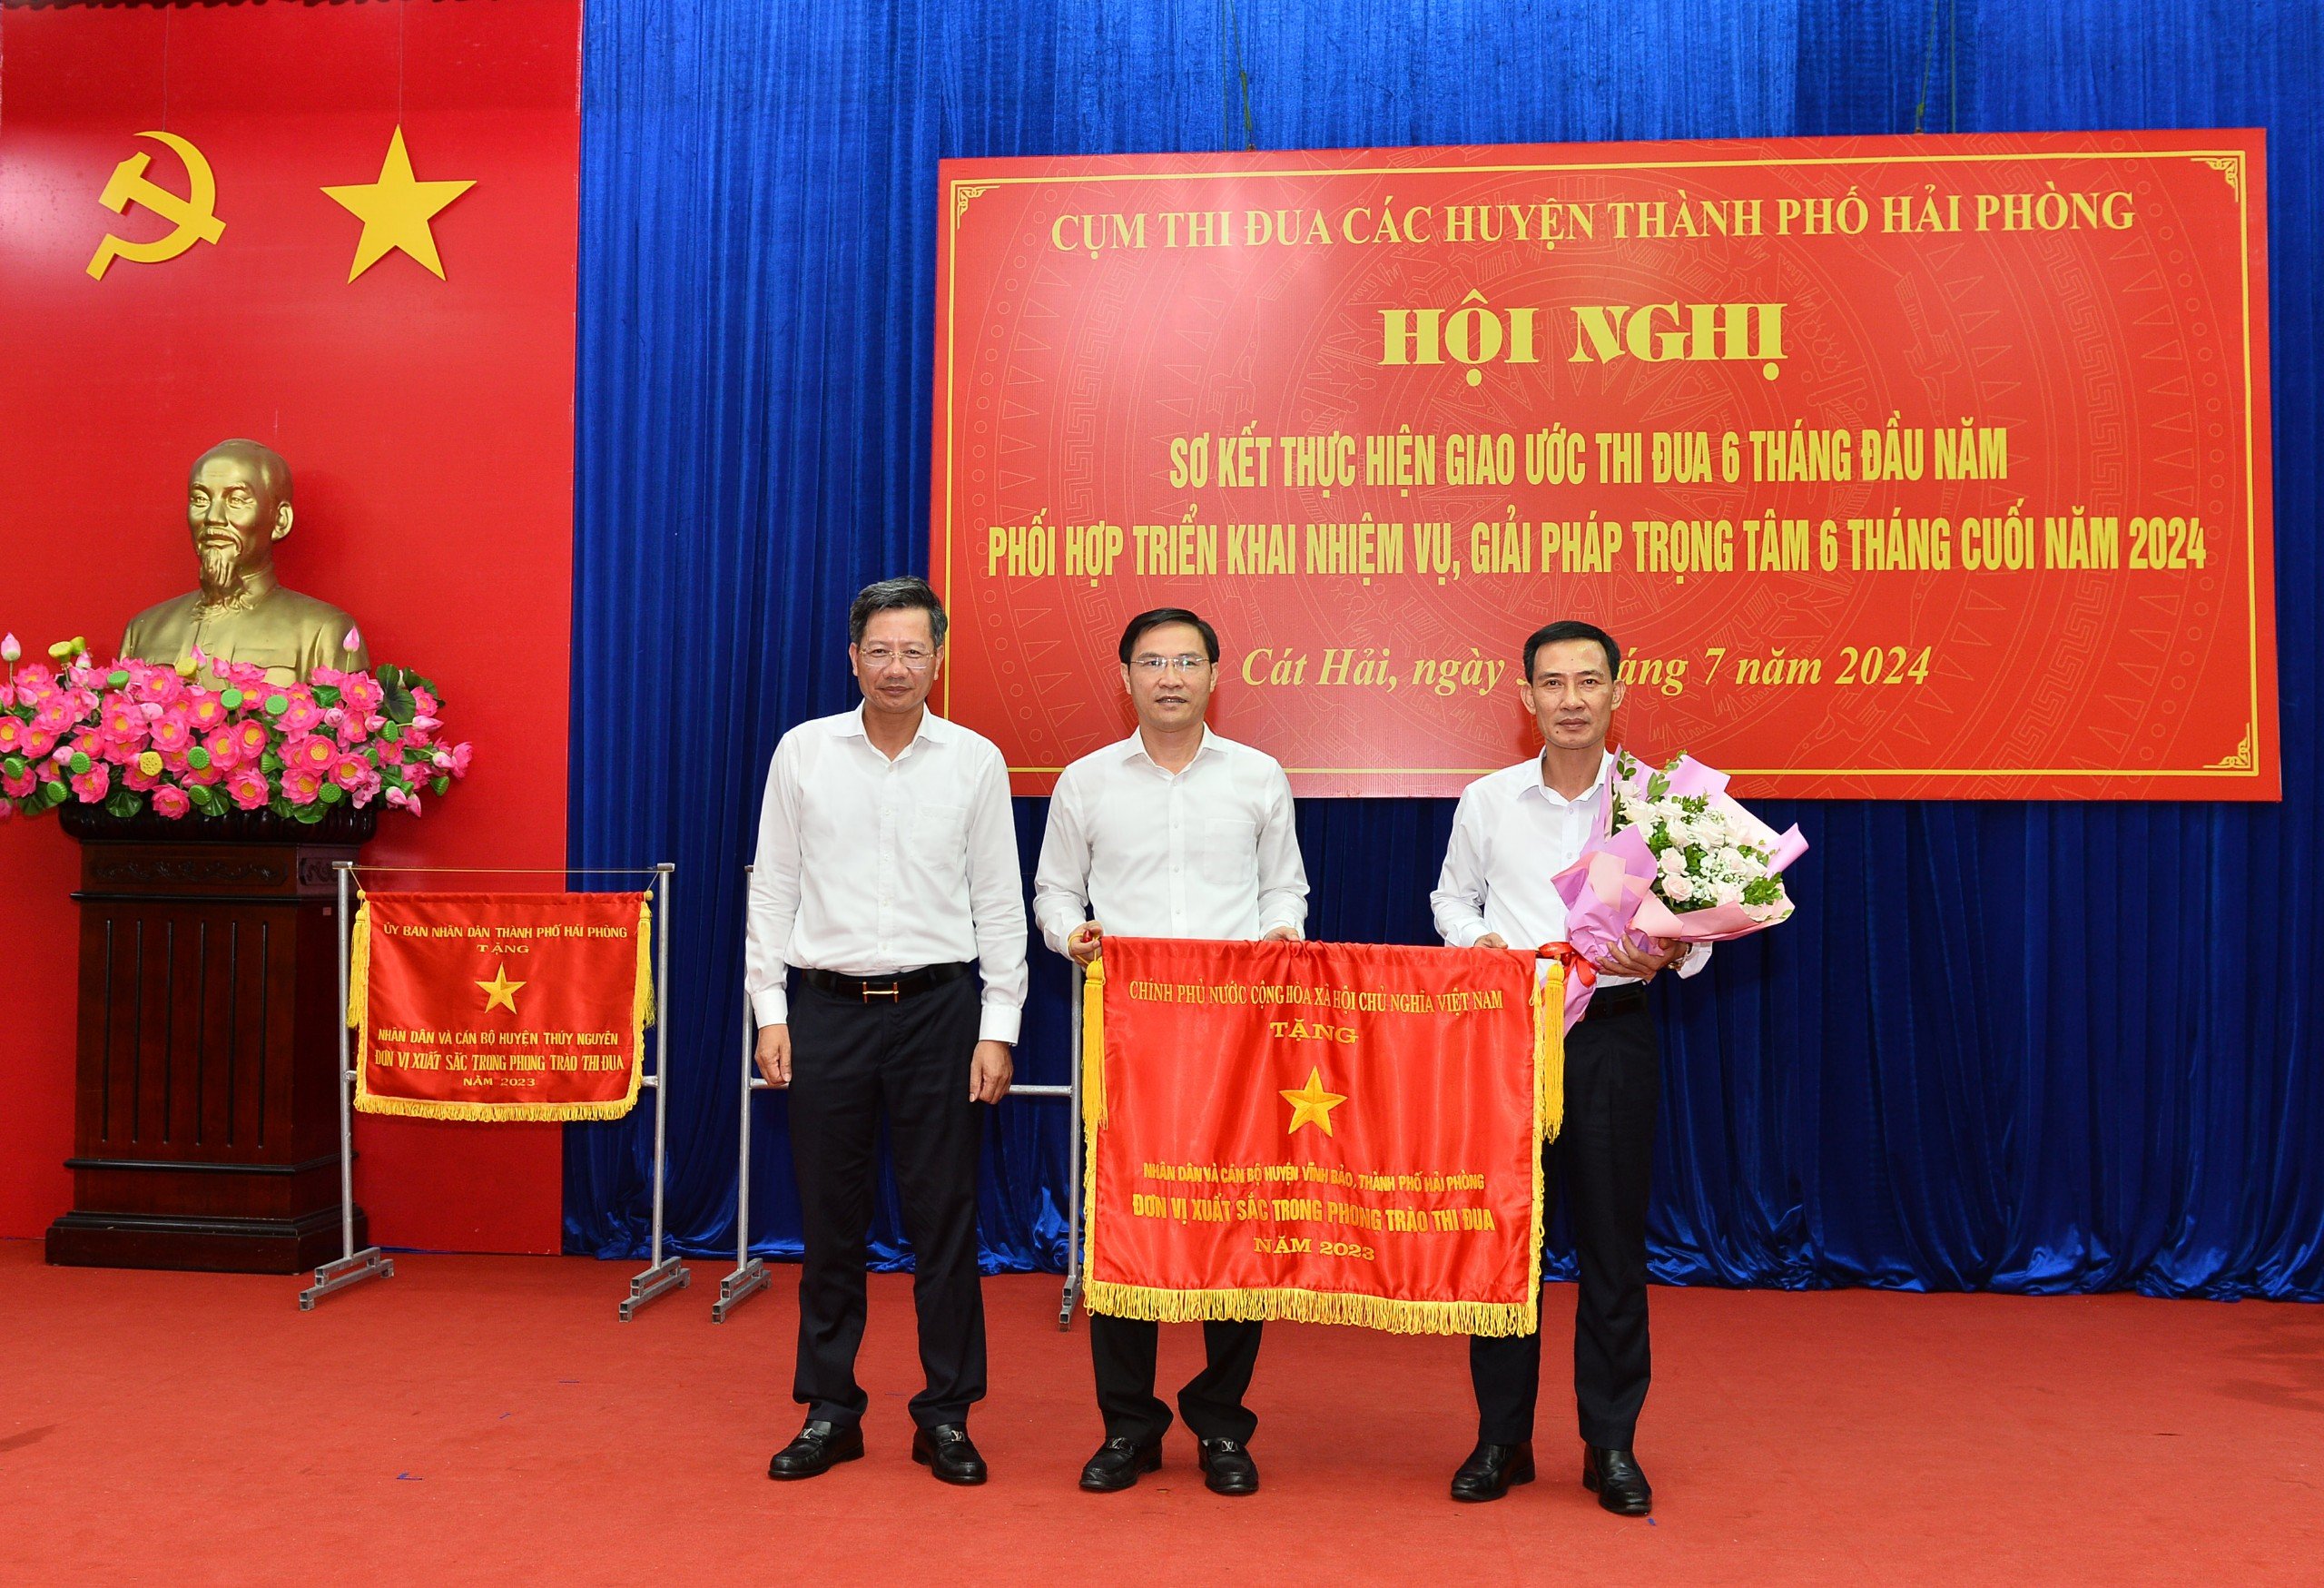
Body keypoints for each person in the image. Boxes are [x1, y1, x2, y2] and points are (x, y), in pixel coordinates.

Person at [745, 576, 1027, 1487]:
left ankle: (946, 1414)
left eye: (913, 650)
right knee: (830, 1221)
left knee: (945, 1220)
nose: (896, 666)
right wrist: (770, 1010)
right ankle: (831, 1409)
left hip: (941, 1014)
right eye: (879, 650)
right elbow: (772, 888)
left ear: (937, 659)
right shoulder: (803, 753)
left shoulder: (974, 761)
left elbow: (999, 900)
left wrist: (998, 1025)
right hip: (825, 1012)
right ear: (852, 657)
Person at [1428, 618, 1709, 1516]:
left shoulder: (1657, 803)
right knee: (1503, 1246)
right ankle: (1500, 1439)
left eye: (1589, 682)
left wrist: (1670, 951)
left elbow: (1700, 925)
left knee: (1613, 1248)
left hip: (1612, 1038)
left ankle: (1610, 1445)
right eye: (1552, 683)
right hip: (1508, 1037)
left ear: (1618, 692)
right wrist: (1481, 946)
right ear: (1526, 698)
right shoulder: (1488, 800)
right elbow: (1450, 899)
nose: (1572, 700)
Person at [1033, 607, 1308, 1497]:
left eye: (1187, 662)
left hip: (1239, 1035)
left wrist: (1282, 933)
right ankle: (1129, 1425)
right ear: (1124, 678)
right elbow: (1053, 890)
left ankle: (1221, 1422)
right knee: (1128, 1221)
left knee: (1235, 1219)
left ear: (1214, 676)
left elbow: (1285, 888)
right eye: (1152, 663)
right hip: (1131, 1033)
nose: (1170, 678)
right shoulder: (1085, 782)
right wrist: (1070, 934)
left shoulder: (1259, 776)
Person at [120, 439, 371, 686]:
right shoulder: (144, 630)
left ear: (280, 520)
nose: (213, 517)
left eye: (236, 500)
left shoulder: (323, 632)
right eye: (200, 499)